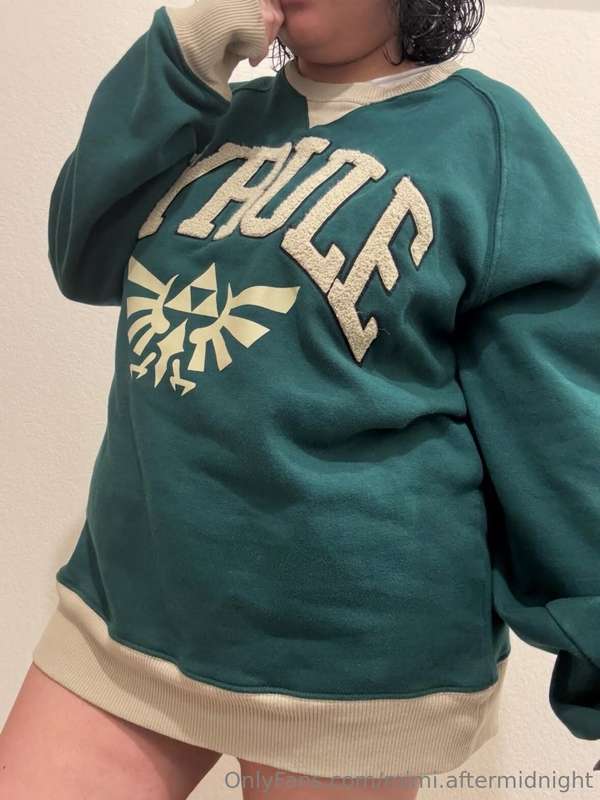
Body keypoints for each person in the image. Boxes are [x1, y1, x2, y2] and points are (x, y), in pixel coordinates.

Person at [2, 0, 599, 798]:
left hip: (347, 669)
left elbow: (557, 428)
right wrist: (181, 58)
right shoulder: (210, 113)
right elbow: (83, 257)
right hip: (129, 616)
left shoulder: (488, 140)